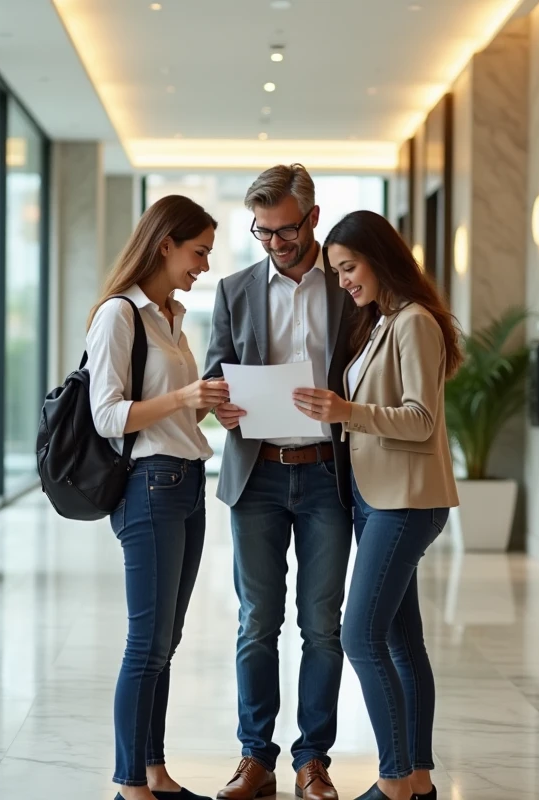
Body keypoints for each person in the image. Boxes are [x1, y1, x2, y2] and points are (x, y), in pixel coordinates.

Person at [292, 210, 462, 800]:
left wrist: (344, 412)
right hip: (377, 498)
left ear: (379, 258)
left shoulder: (414, 322)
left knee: (361, 637)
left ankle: (392, 782)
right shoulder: (381, 322)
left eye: (348, 267)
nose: (342, 281)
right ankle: (417, 780)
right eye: (336, 271)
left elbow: (420, 419)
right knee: (400, 641)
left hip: (405, 502)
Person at [203, 164, 355, 800]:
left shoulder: (350, 290)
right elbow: (214, 373)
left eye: (284, 231)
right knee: (256, 621)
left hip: (328, 476)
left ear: (312, 217)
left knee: (322, 623)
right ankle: (255, 758)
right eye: (262, 232)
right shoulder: (236, 289)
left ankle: (312, 760)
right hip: (257, 477)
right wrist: (221, 403)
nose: (273, 243)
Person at [87, 195, 230, 800]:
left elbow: (175, 406)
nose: (203, 265)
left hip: (187, 482)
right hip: (149, 487)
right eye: (198, 252)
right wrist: (183, 398)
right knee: (145, 642)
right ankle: (129, 784)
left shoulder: (170, 315)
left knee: (165, 643)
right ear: (164, 243)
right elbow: (108, 415)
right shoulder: (119, 315)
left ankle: (154, 771)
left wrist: (212, 405)